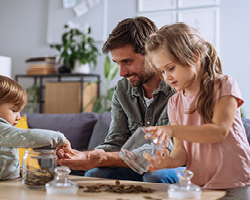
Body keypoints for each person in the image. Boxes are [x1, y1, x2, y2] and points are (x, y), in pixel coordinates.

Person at [58, 16, 185, 183]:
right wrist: (84, 155)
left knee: (155, 175)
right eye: (117, 63)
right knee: (96, 174)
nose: (122, 72)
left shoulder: (178, 87)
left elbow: (166, 150)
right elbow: (116, 140)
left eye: (127, 61)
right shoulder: (123, 89)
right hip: (136, 164)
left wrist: (106, 159)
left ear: (152, 54)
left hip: (176, 163)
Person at [143, 23, 250, 189]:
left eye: (171, 68)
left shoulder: (224, 85)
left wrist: (172, 130)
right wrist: (169, 161)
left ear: (194, 56)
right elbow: (181, 151)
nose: (167, 77)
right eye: (162, 72)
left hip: (235, 180)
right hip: (199, 184)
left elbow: (218, 132)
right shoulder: (174, 103)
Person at [0, 75, 73, 183]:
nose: (19, 116)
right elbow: (26, 136)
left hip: (3, 185)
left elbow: (2, 159)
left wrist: (20, 170)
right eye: (14, 110)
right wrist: (59, 138)